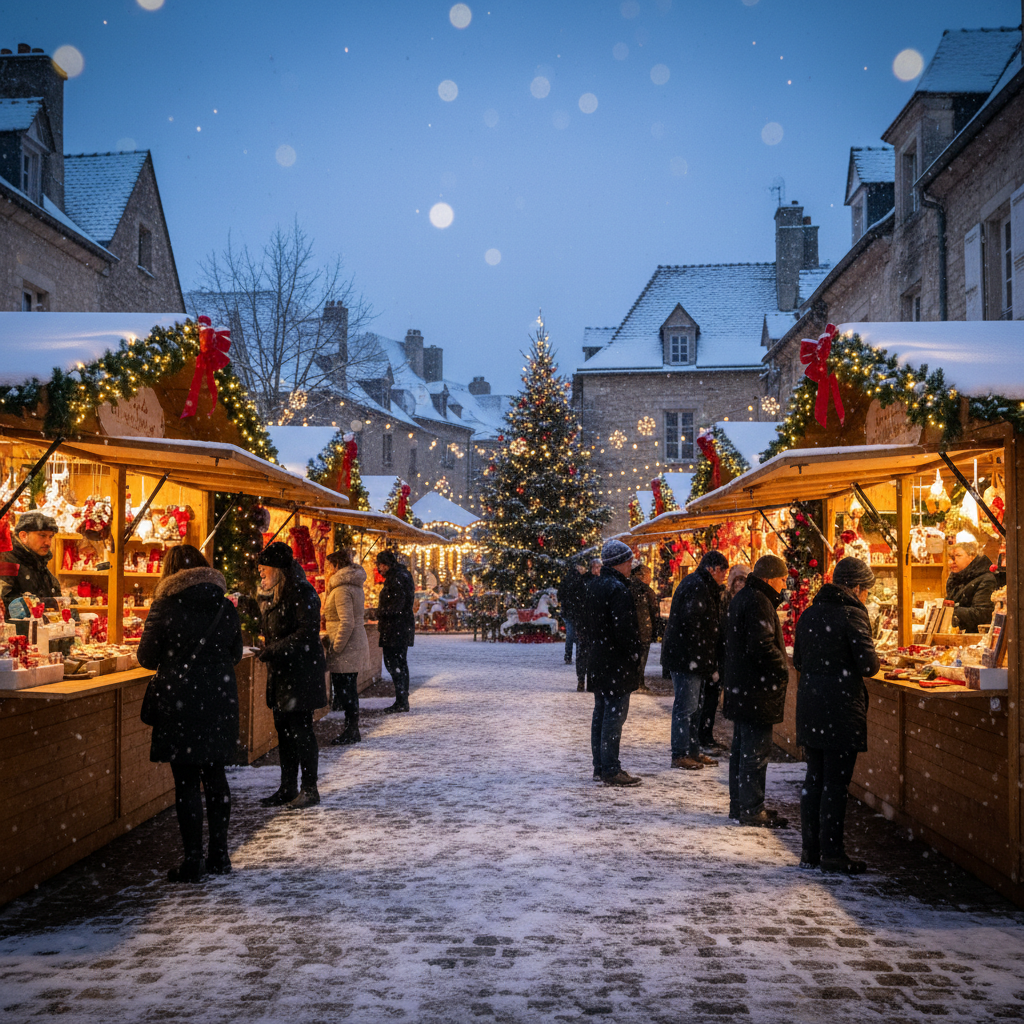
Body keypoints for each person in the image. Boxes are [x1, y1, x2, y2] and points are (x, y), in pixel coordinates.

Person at [137, 544, 243, 882]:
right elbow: (237, 653)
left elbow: (147, 658)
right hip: (219, 701)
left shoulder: (164, 606)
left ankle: (193, 860)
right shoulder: (225, 607)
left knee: (185, 783)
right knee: (216, 777)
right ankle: (221, 856)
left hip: (179, 701)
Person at [794, 556, 880, 874]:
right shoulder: (854, 615)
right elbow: (868, 666)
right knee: (835, 783)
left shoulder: (810, 613)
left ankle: (810, 850)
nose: (867, 596)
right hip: (841, 708)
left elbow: (799, 661)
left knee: (814, 779)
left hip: (812, 706)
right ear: (857, 588)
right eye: (866, 590)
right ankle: (832, 853)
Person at [256, 541, 328, 809]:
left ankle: (309, 788)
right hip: (285, 674)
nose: (261, 573)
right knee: (285, 732)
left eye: (264, 569)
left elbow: (306, 634)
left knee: (301, 731)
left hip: (299, 675)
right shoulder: (279, 592)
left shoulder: (301, 592)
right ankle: (288, 787)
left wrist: (273, 650)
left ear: (278, 569)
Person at [722, 553, 790, 828]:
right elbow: (760, 645)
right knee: (754, 752)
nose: (784, 584)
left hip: (744, 687)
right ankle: (751, 808)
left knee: (742, 750)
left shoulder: (746, 597)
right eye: (783, 579)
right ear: (770, 578)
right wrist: (781, 668)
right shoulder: (758, 601)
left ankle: (741, 805)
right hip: (756, 690)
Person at [582, 539, 644, 786]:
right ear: (620, 563)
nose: (631, 566)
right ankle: (610, 767)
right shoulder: (618, 589)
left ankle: (601, 765)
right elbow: (624, 630)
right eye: (629, 561)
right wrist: (633, 652)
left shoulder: (595, 586)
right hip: (615, 662)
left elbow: (587, 624)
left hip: (598, 658)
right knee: (613, 716)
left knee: (602, 713)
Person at [662, 551, 729, 770]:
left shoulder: (701, 585)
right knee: (687, 707)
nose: (724, 576)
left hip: (693, 658)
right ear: (712, 568)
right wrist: (703, 657)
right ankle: (681, 753)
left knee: (694, 708)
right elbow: (694, 627)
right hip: (687, 658)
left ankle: (691, 751)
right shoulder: (697, 586)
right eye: (722, 571)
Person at [323, 548, 369, 746]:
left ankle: (351, 730)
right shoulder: (352, 586)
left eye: (328, 566)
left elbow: (347, 622)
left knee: (347, 691)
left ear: (336, 566)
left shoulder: (342, 589)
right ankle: (351, 729)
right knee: (348, 690)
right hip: (353, 645)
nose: (326, 570)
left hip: (347, 647)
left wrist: (337, 647)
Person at [701, 564, 749, 750]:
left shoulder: (747, 600)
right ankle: (704, 735)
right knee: (711, 697)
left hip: (733, 655)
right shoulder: (723, 599)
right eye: (737, 580)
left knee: (721, 697)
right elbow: (718, 625)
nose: (740, 584)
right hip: (720, 653)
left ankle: (708, 735)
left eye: (743, 580)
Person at [376, 548, 416, 713]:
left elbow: (396, 606)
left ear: (386, 565)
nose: (379, 569)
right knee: (399, 663)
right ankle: (402, 698)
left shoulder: (396, 578)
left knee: (394, 663)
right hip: (401, 627)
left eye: (380, 565)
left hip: (395, 628)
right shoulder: (402, 576)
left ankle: (401, 700)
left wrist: (378, 612)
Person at [0, 511, 61, 614]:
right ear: (23, 536)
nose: (48, 543)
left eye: (50, 536)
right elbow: (4, 604)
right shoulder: (8, 561)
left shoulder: (39, 562)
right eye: (42, 536)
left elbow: (56, 598)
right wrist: (44, 603)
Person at [946, 536, 997, 632]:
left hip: (975, 638)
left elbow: (982, 614)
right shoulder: (955, 579)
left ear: (972, 556)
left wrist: (947, 611)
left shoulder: (986, 579)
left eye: (958, 556)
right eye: (950, 558)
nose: (952, 562)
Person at [627, 562, 661, 694]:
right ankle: (639, 682)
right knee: (642, 657)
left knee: (634, 656)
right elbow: (653, 611)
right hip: (643, 628)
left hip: (632, 628)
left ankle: (633, 680)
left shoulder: (628, 587)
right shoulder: (646, 591)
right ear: (641, 576)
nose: (650, 578)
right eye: (649, 575)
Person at [557, 559, 587, 666]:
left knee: (570, 634)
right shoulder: (580, 580)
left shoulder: (565, 579)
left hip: (566, 611)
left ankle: (568, 656)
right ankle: (579, 655)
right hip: (576, 612)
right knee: (578, 635)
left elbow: (559, 595)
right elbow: (583, 596)